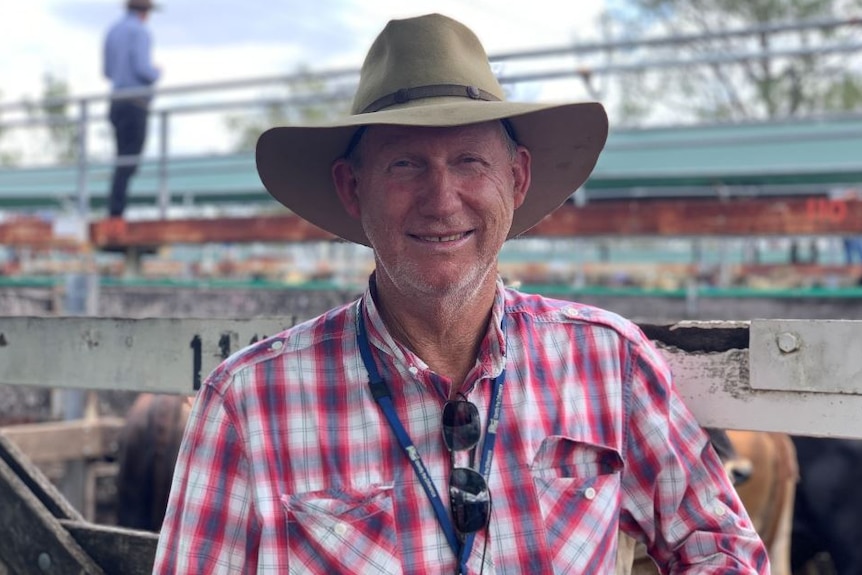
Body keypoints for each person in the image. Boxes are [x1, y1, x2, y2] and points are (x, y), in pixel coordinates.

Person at [153, 13, 769, 574]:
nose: (442, 200)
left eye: (471, 162)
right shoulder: (248, 405)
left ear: (517, 178)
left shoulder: (609, 361)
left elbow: (722, 550)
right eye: (405, 165)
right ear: (351, 188)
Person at [103, 0, 161, 230]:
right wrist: (156, 72)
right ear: (145, 12)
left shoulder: (112, 31)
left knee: (122, 159)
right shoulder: (140, 32)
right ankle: (116, 212)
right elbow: (143, 69)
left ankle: (116, 209)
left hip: (116, 101)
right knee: (129, 160)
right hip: (135, 102)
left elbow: (107, 71)